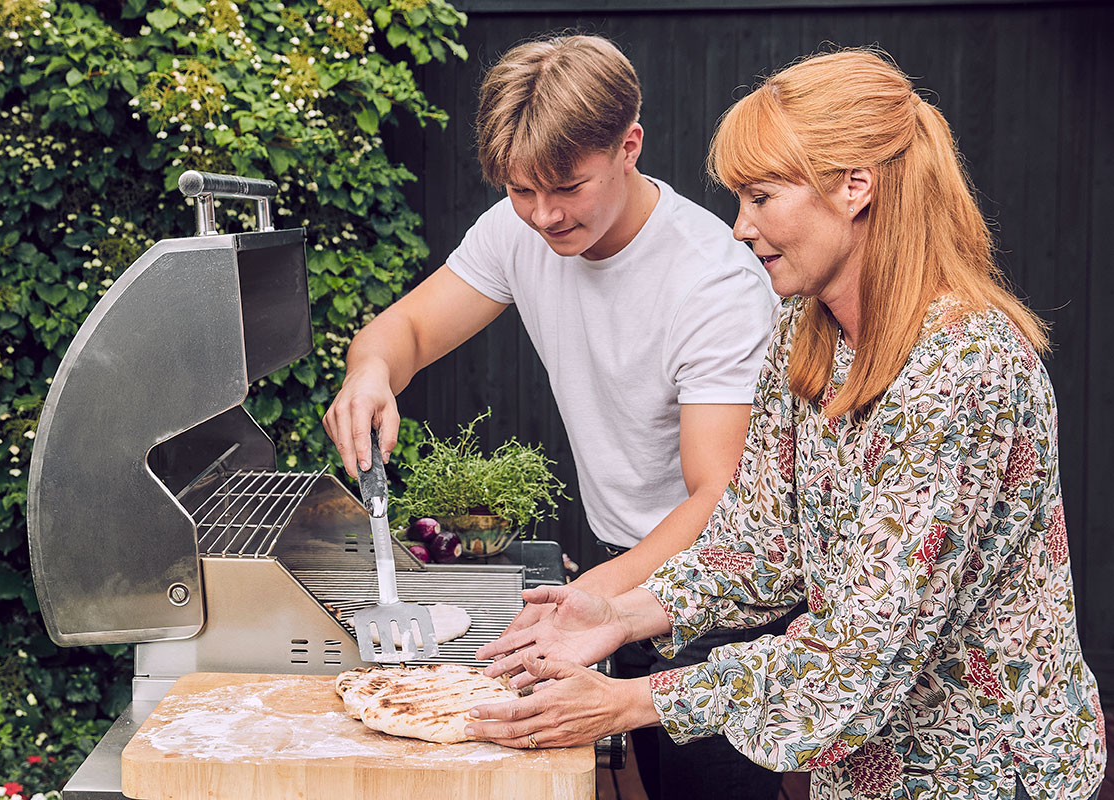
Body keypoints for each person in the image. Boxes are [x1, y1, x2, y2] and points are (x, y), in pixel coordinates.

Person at [469, 48, 1107, 800]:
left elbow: (859, 654)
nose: (740, 228)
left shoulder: (962, 368)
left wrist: (630, 702)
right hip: (867, 777)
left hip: (988, 774)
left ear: (854, 187)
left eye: (762, 197)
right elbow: (760, 545)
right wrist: (617, 614)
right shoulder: (804, 336)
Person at [322, 33, 783, 799]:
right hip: (621, 559)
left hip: (716, 584)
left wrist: (598, 602)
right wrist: (370, 373)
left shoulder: (714, 284)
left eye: (567, 187)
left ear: (629, 144)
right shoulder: (521, 228)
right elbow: (401, 332)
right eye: (520, 191)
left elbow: (716, 498)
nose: (543, 216)